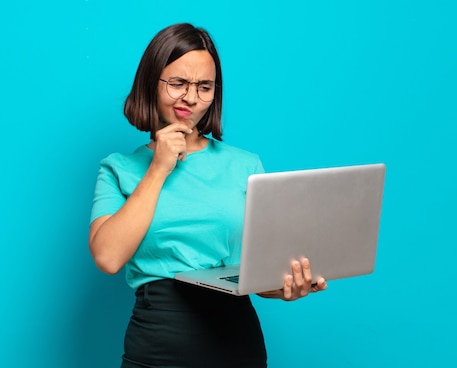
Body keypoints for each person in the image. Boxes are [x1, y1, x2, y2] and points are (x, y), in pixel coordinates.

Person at [88, 23, 328, 368]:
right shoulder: (119, 169)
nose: (190, 97)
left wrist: (288, 287)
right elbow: (108, 257)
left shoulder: (245, 166)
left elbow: (260, 275)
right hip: (157, 344)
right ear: (151, 82)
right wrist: (158, 169)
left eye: (204, 87)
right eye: (178, 84)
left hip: (235, 342)